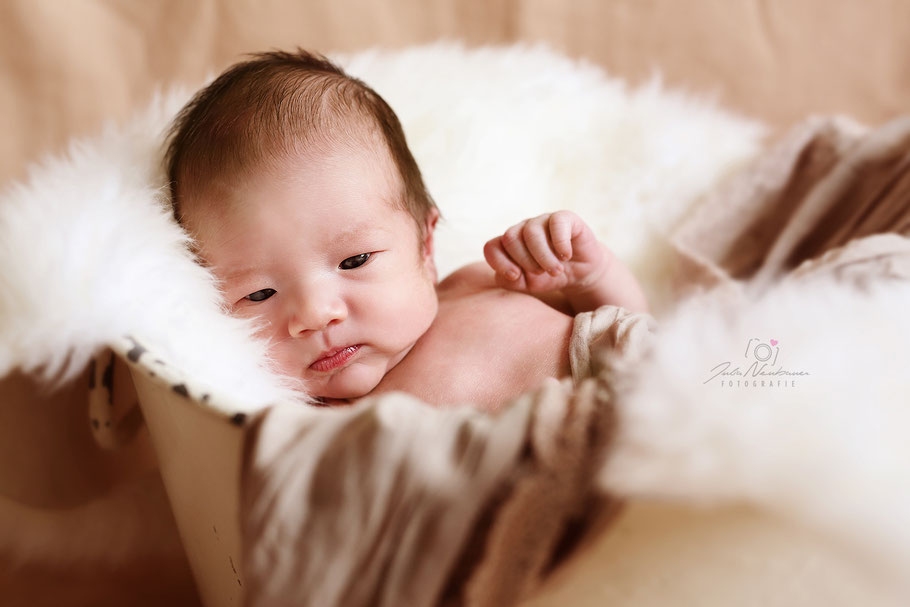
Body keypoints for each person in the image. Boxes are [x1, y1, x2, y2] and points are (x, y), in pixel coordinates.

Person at [165, 49, 650, 410]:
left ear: (426, 244)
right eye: (259, 294)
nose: (314, 315)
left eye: (354, 261)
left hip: (650, 397)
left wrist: (588, 277)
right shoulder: (316, 424)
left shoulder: (483, 283)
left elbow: (628, 324)